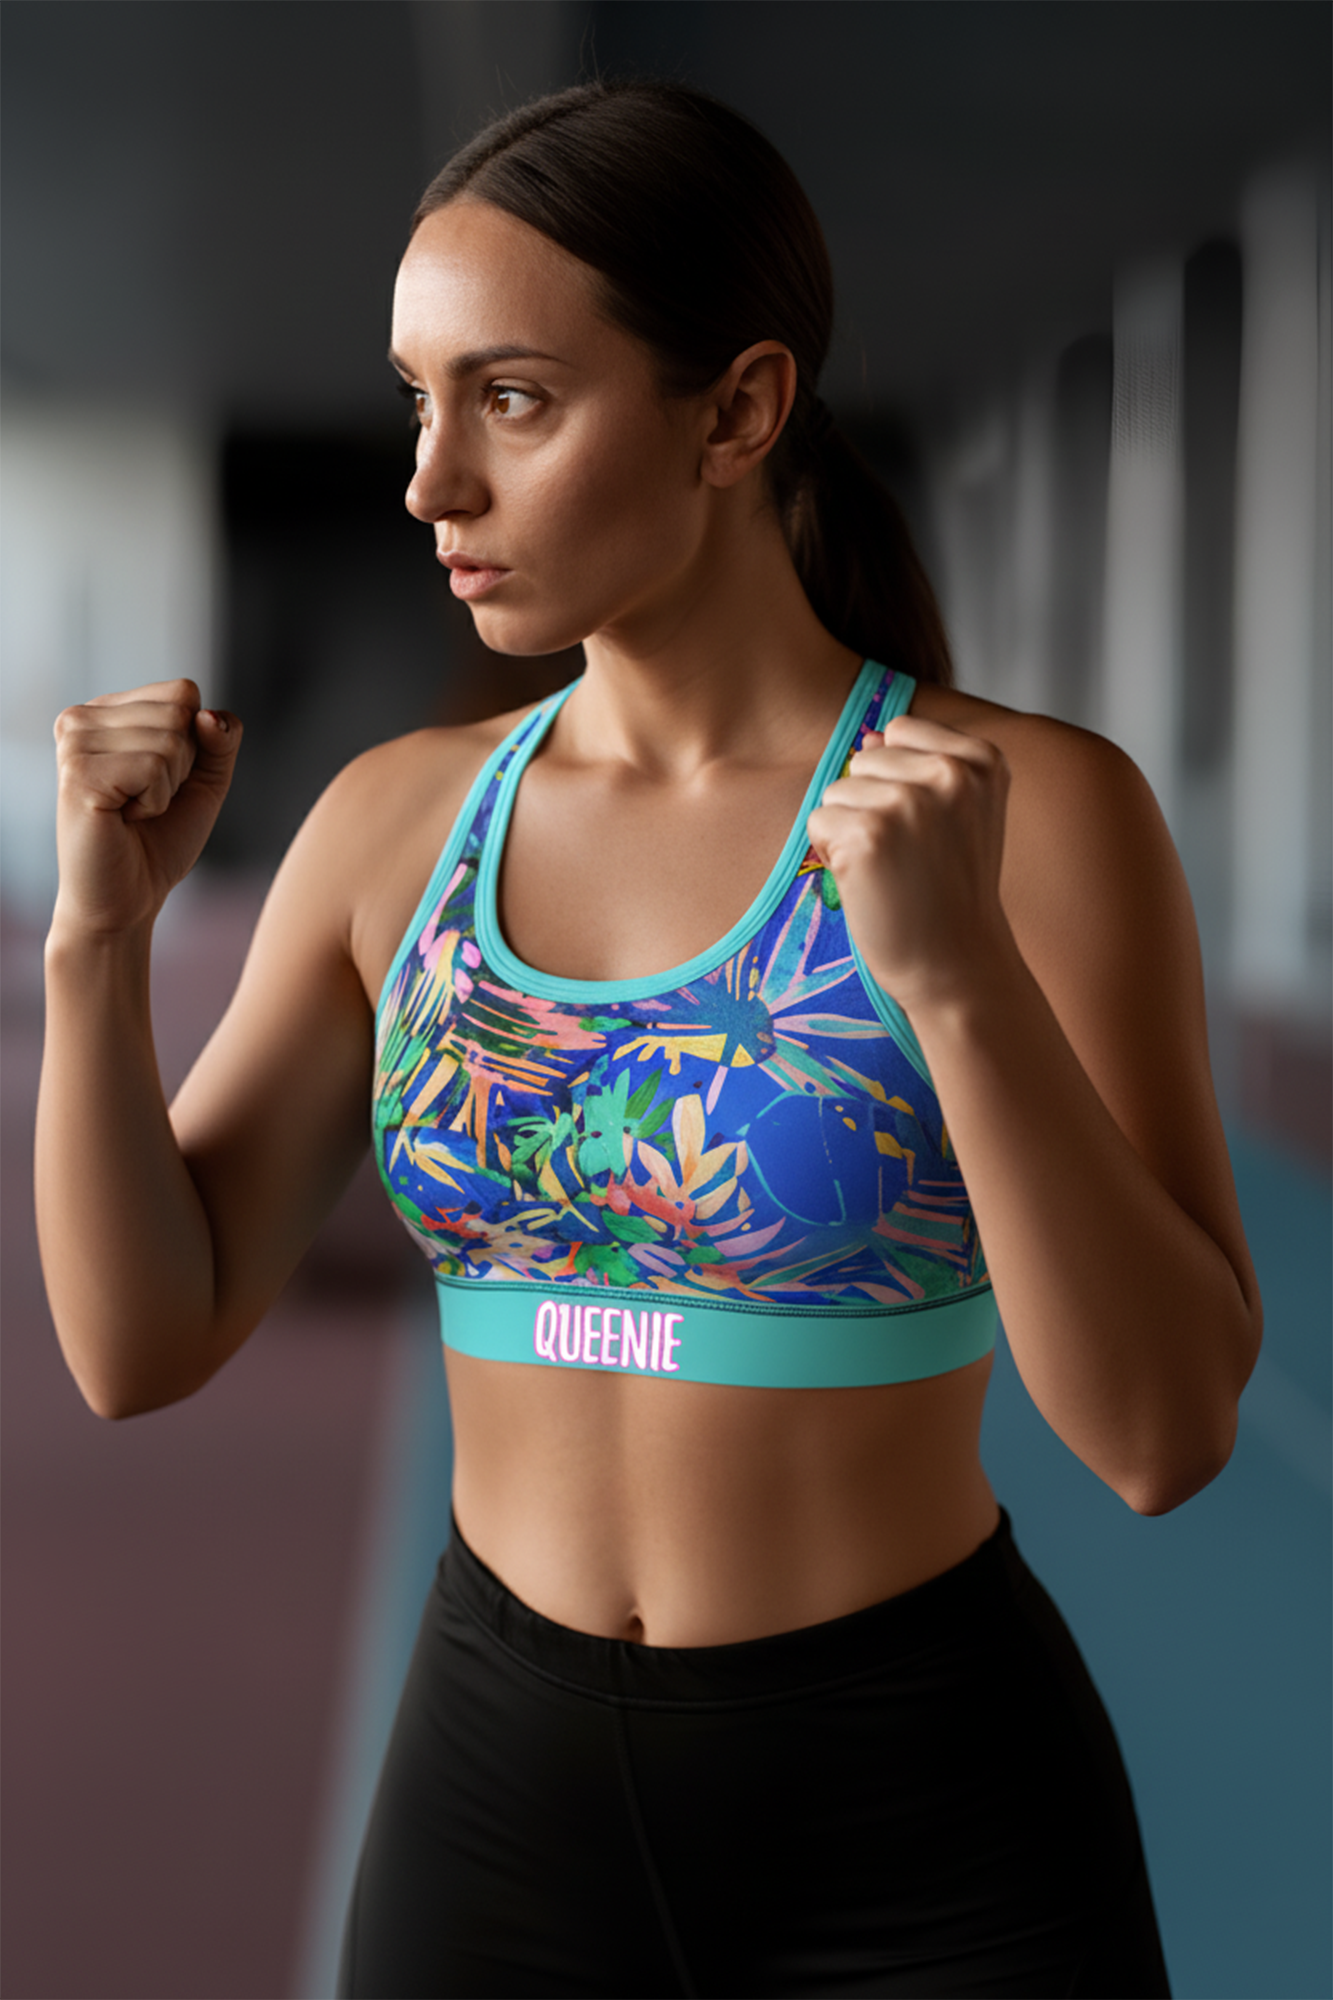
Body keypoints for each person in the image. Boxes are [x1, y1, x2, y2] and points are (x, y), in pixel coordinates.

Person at [37, 77, 1260, 1999]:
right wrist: (97, 941)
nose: (434, 482)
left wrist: (954, 979)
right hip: (494, 1797)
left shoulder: (1018, 808)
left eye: (511, 399)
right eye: (419, 400)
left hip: (924, 1816)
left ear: (740, 410)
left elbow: (1166, 1437)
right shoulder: (396, 824)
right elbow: (136, 1341)